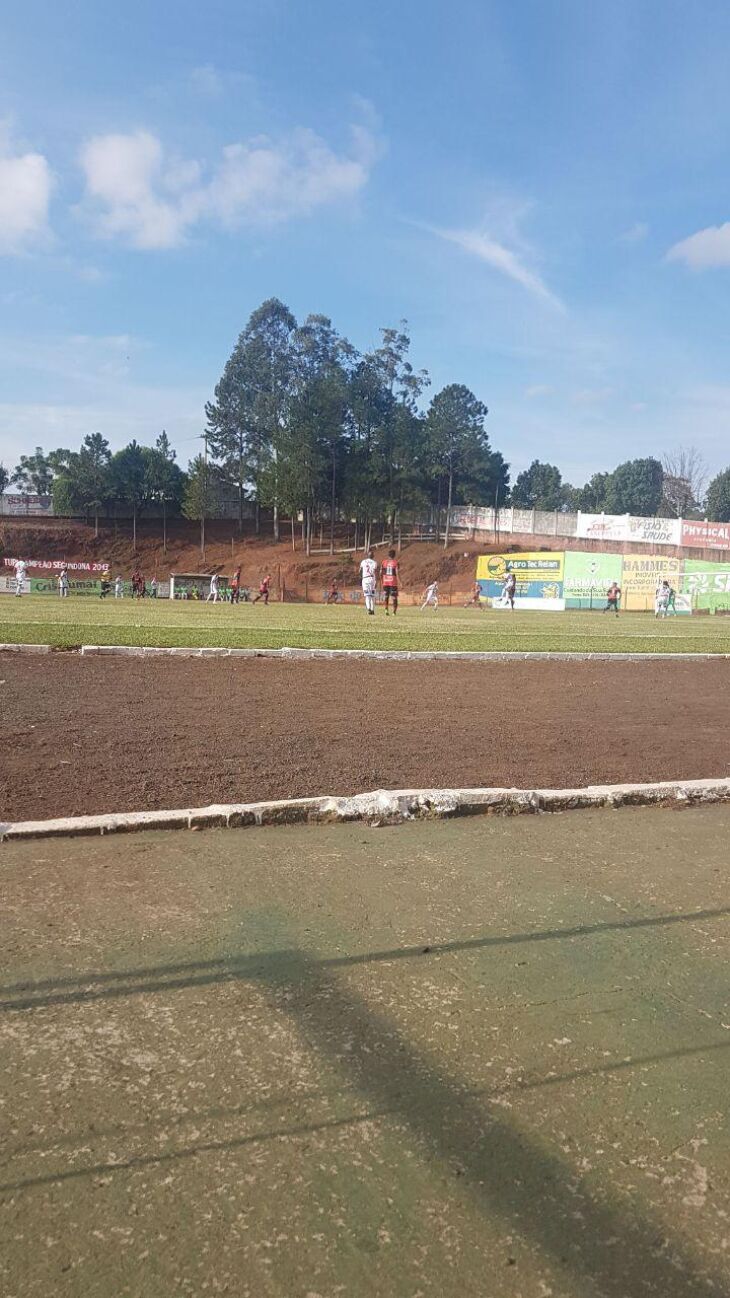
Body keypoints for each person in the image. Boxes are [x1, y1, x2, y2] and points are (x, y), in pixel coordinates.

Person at [359, 548, 378, 616]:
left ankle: (369, 609)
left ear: (367, 555)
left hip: (365, 579)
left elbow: (360, 570)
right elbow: (375, 572)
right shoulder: (374, 563)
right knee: (372, 596)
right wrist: (376, 581)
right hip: (372, 579)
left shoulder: (363, 561)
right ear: (373, 556)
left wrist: (360, 577)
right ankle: (372, 610)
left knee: (367, 596)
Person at [381, 549, 399, 615]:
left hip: (385, 582)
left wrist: (381, 580)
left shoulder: (384, 562)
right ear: (394, 555)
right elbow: (397, 573)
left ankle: (386, 610)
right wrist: (400, 582)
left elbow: (381, 572)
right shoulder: (395, 563)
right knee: (394, 597)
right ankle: (394, 612)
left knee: (386, 596)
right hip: (393, 582)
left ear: (388, 555)